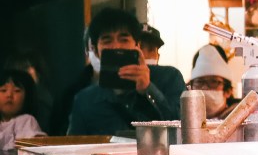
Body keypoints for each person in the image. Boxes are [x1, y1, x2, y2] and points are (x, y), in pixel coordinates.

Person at [67, 8, 187, 136]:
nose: (116, 46)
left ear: (137, 45)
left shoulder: (169, 77)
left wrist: (148, 88)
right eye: (107, 41)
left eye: (124, 40)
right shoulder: (85, 100)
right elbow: (74, 145)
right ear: (96, 51)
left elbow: (183, 128)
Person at [0, 69, 46, 155]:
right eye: (3, 90)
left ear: (27, 97)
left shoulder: (26, 120)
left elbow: (36, 147)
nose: (9, 95)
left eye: (17, 90)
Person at [188, 44, 240, 119]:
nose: (205, 87)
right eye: (199, 82)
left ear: (228, 91)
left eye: (213, 82)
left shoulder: (240, 118)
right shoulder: (184, 118)